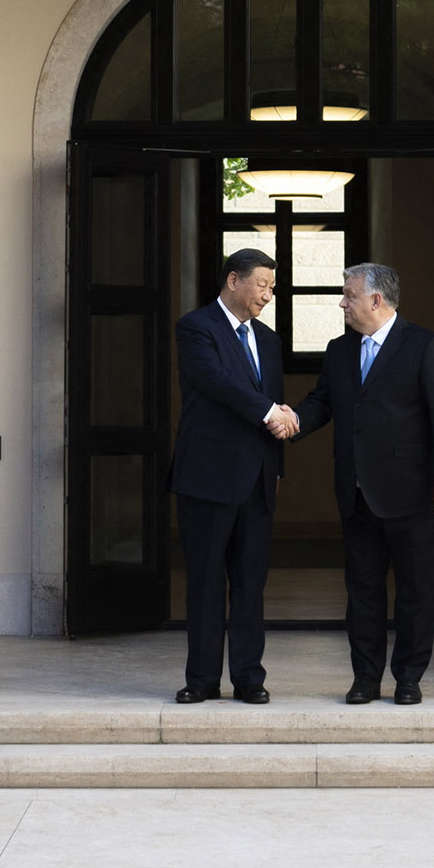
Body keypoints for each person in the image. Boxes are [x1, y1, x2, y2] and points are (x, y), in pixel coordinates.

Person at [291, 262, 434, 705]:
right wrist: (290, 421)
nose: (342, 303)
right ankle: (365, 679)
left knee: (415, 593)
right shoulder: (338, 349)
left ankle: (408, 677)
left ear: (376, 300)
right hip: (357, 494)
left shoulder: (425, 345)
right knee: (362, 595)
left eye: (348, 295)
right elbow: (322, 401)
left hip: (414, 494)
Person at [170, 246, 295, 704]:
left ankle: (249, 679)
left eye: (272, 287)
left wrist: (276, 466)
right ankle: (201, 680)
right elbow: (218, 383)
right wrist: (271, 413)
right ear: (233, 281)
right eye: (261, 285)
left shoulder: (269, 339)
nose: (268, 295)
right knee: (205, 583)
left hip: (258, 481)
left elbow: (276, 397)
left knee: (250, 584)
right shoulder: (196, 328)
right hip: (207, 478)